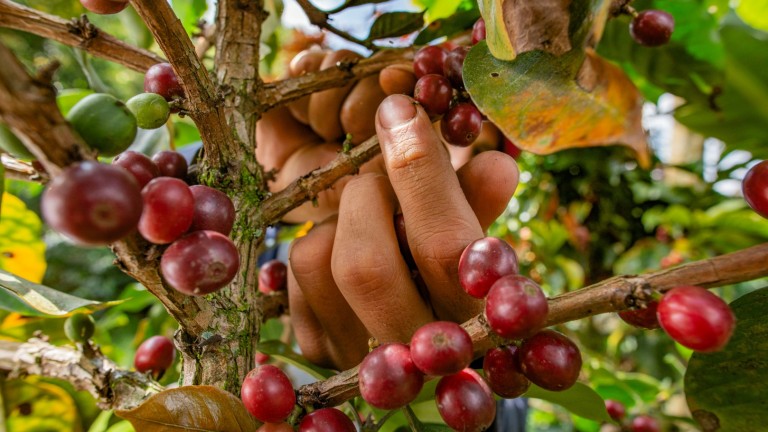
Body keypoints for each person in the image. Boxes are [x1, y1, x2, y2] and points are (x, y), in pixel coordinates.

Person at [257, 51, 524, 430]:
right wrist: (268, 183)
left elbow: (508, 415)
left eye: (478, 145)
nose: (450, 154)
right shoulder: (261, 249)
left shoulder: (499, 299)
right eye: (442, 125)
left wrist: (460, 365)